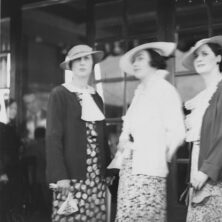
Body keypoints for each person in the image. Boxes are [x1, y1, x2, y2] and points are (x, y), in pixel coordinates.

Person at [114, 42, 185, 221]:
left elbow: (177, 132)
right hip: (130, 168)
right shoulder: (139, 93)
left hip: (149, 171)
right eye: (134, 61)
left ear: (153, 61)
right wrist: (124, 141)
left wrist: (158, 155)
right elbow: (128, 126)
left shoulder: (164, 90)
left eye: (140, 59)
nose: (136, 64)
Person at [46, 44, 111, 222]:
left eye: (86, 58)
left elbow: (102, 138)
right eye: (77, 59)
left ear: (92, 63)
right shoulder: (60, 94)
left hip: (96, 177)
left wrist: (107, 170)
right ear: (70, 65)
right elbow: (53, 138)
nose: (82, 63)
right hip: (71, 176)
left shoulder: (96, 97)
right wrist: (60, 176)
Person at [181, 36, 222, 221]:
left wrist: (206, 170)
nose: (199, 58)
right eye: (196, 55)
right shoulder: (204, 95)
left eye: (205, 54)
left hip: (213, 172)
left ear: (218, 58)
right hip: (198, 165)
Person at [0, 98, 22, 221]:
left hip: (12, 170)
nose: (14, 111)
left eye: (16, 109)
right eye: (11, 108)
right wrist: (2, 172)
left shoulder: (10, 127)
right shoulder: (3, 128)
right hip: (5, 171)